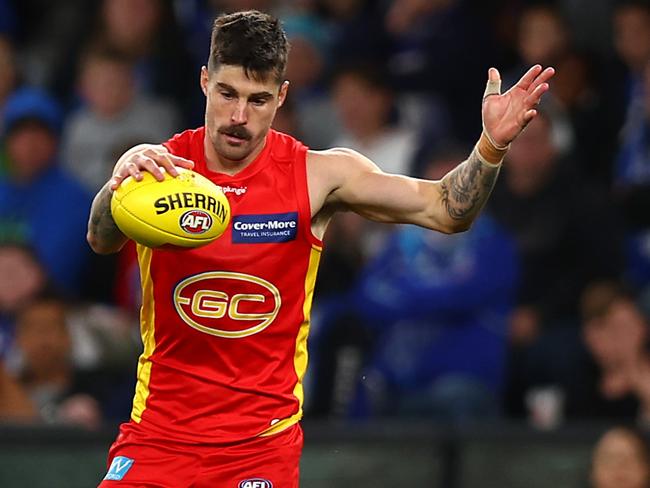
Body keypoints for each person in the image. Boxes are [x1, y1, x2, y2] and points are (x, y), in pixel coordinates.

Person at [86, 10, 554, 487]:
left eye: (258, 99)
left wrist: (490, 147)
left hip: (259, 451)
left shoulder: (318, 176)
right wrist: (117, 184)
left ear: (283, 96)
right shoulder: (160, 172)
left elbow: (447, 211)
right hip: (159, 439)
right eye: (227, 94)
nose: (239, 117)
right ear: (205, 82)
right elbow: (101, 240)